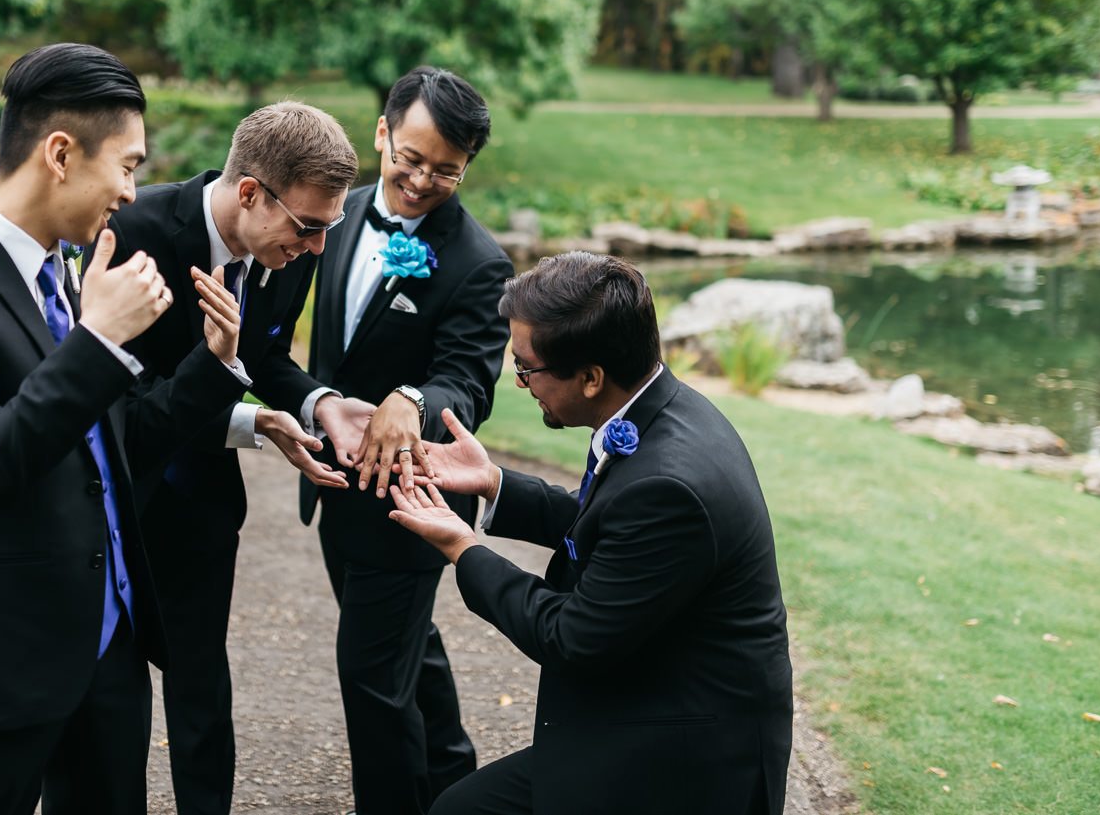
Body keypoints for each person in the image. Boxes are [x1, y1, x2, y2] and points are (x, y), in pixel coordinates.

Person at [0, 43, 250, 814]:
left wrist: (212, 363)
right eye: (129, 166)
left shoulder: (68, 279)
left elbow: (118, 442)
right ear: (62, 154)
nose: (133, 194)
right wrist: (99, 340)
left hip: (107, 662)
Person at [388, 251, 794, 815]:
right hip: (649, 704)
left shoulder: (670, 484)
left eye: (527, 367)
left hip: (684, 757)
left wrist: (463, 547)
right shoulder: (660, 408)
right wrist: (493, 482)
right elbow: (606, 520)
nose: (520, 380)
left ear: (591, 377)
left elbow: (571, 639)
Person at [103, 101, 371, 815]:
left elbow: (264, 353)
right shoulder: (133, 232)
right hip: (114, 497)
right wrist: (248, 417)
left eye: (329, 229)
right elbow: (126, 402)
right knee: (108, 700)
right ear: (250, 192)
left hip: (199, 497)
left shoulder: (287, 248)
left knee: (200, 684)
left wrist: (317, 402)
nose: (316, 248)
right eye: (308, 227)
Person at [300, 66, 513, 815]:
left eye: (446, 170)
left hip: (404, 502)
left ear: (467, 166)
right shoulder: (337, 215)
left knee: (369, 678)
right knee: (404, 653)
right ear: (383, 133)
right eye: (411, 158)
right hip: (333, 482)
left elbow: (469, 383)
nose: (422, 180)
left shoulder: (480, 263)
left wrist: (413, 398)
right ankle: (455, 783)